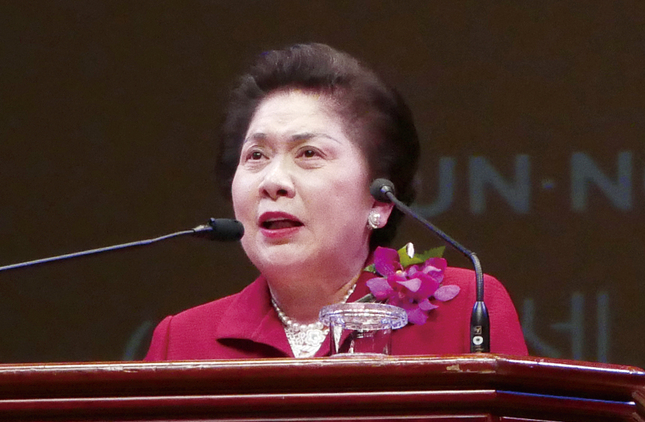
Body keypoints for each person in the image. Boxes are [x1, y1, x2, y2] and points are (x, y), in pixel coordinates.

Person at [145, 43, 527, 360]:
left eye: (308, 153)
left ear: (380, 201)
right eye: (256, 155)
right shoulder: (180, 342)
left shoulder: (465, 310)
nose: (272, 182)